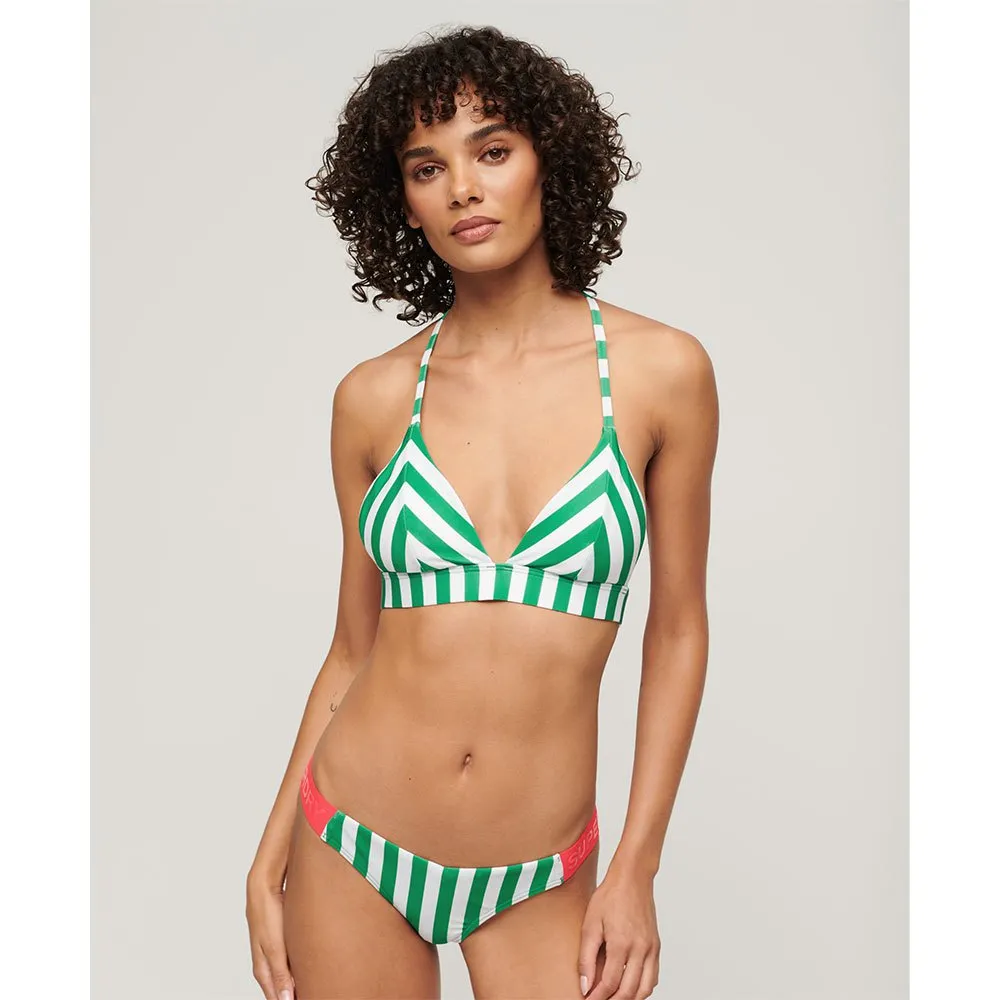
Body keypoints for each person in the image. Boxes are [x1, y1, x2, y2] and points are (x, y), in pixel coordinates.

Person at [245, 24, 718, 1000]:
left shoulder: (660, 372)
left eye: (491, 151)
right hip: (353, 837)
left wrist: (635, 868)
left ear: (550, 159)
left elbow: (676, 630)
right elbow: (352, 648)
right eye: (428, 168)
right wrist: (269, 852)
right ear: (402, 201)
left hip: (541, 864)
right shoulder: (373, 398)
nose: (462, 187)